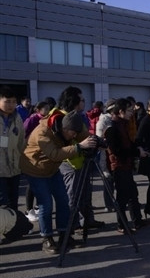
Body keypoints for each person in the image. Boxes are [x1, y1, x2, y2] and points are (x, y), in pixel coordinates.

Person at [20, 110, 98, 254]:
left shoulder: (70, 126)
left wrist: (97, 140)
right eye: (72, 134)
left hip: (52, 170)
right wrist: (79, 146)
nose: (74, 136)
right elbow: (55, 154)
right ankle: (47, 239)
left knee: (63, 200)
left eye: (75, 133)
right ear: (64, 129)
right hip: (35, 170)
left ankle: (65, 235)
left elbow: (83, 136)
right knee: (46, 204)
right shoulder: (42, 132)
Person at [50, 86, 104, 229]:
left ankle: (88, 220)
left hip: (81, 160)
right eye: (82, 100)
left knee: (86, 194)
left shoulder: (78, 115)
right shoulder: (59, 117)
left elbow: (84, 135)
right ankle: (71, 227)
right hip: (70, 162)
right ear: (73, 100)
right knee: (73, 197)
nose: (84, 102)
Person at [104, 99, 150, 233]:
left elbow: (128, 144)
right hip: (119, 166)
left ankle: (137, 220)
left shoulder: (122, 125)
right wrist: (136, 151)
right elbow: (116, 151)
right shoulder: (112, 127)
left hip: (126, 164)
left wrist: (138, 150)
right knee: (122, 197)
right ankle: (122, 225)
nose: (132, 113)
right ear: (121, 112)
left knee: (132, 194)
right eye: (130, 110)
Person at [22, 100, 50, 221]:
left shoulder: (47, 120)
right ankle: (29, 209)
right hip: (31, 155)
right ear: (38, 110)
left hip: (43, 155)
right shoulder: (32, 119)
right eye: (46, 108)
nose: (48, 110)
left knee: (43, 183)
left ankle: (38, 206)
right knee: (32, 183)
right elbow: (23, 135)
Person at [0, 86, 26, 212]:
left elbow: (21, 142)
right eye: (7, 101)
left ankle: (13, 231)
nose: (11, 105)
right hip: (0, 170)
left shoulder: (17, 118)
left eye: (13, 102)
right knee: (2, 204)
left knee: (13, 203)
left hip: (14, 169)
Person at [95, 98, 117, 213]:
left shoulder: (115, 119)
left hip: (115, 154)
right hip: (106, 155)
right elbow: (99, 139)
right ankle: (108, 204)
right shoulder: (103, 120)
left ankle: (114, 202)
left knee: (115, 180)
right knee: (108, 180)